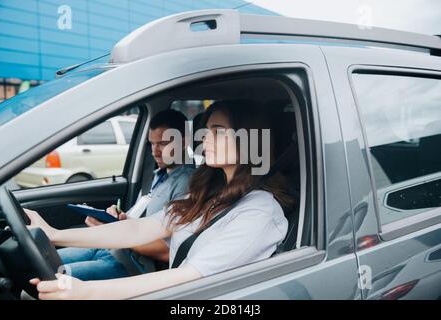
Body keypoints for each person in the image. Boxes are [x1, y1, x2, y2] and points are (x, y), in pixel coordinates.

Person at [25, 100, 295, 299]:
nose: (205, 139)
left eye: (218, 131)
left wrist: (86, 292)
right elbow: (139, 228)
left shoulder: (259, 212)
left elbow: (185, 277)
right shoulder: (208, 191)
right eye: (206, 130)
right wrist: (54, 234)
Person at [57, 109, 195, 280]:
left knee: (54, 277)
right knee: (43, 261)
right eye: (152, 144)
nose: (154, 152)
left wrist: (113, 232)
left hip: (134, 264)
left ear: (183, 142)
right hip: (114, 246)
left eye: (163, 144)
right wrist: (119, 218)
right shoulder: (160, 175)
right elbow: (144, 220)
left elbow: (168, 250)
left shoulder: (187, 184)